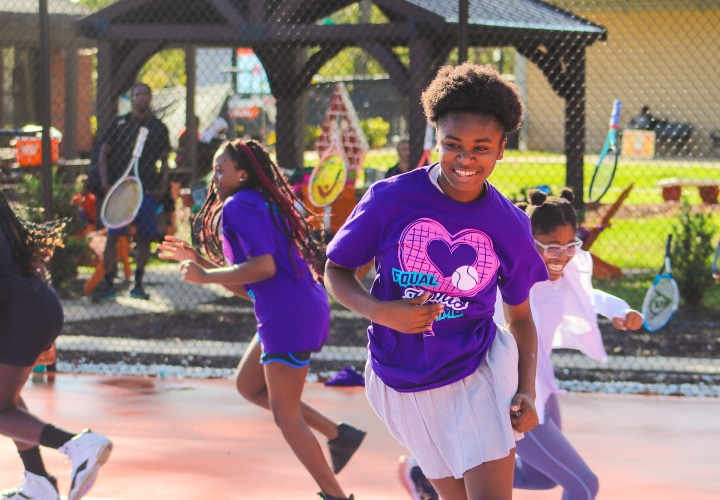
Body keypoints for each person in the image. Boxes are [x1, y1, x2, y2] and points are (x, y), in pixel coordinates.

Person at [323, 62, 549, 500]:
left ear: (502, 148)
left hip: (477, 371)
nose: (466, 159)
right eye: (453, 145)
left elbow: (520, 319)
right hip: (400, 379)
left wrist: (526, 389)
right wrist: (380, 311)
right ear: (435, 141)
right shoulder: (391, 199)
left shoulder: (510, 225)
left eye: (481, 147)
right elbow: (336, 270)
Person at [399, 187, 644, 500]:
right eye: (553, 248)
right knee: (583, 485)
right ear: (530, 242)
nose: (563, 257)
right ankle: (436, 476)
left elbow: (587, 294)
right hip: (513, 395)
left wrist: (619, 311)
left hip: (544, 388)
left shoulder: (562, 276)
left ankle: (427, 478)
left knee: (542, 478)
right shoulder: (511, 282)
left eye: (571, 247)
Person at [157, 139, 363, 500]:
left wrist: (205, 276)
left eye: (221, 170)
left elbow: (263, 268)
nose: (215, 177)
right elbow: (251, 284)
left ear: (243, 173)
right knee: (250, 386)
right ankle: (339, 436)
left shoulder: (239, 205)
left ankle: (336, 495)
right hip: (294, 307)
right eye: (214, 170)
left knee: (286, 416)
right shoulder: (257, 203)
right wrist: (201, 263)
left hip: (289, 314)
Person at [0, 188, 112, 500]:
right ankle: (38, 482)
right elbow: (30, 263)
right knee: (5, 398)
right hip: (38, 304)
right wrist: (44, 334)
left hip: (21, 313)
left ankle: (78, 444)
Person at [92, 82, 170, 302]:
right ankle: (108, 284)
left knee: (145, 238)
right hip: (122, 193)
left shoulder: (159, 127)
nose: (141, 98)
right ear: (132, 98)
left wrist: (163, 186)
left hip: (146, 192)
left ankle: (138, 284)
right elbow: (103, 154)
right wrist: (107, 183)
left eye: (145, 94)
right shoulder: (119, 124)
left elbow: (165, 161)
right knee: (113, 238)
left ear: (150, 98)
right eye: (137, 94)